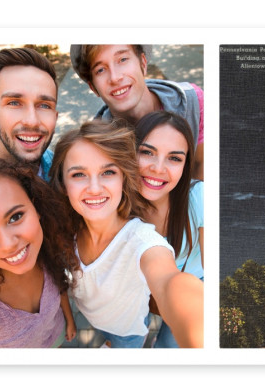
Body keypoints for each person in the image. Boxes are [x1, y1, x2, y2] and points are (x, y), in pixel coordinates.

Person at [48, 120, 203, 348]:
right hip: (96, 321)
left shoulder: (142, 241)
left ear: (124, 178)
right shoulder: (65, 229)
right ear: (63, 182)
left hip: (128, 333)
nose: (94, 188)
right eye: (79, 174)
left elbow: (169, 281)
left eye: (108, 172)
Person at [0, 158, 78, 348]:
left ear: (36, 208)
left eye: (16, 217)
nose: (8, 244)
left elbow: (60, 288)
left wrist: (69, 318)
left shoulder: (46, 252)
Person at [69, 44, 204, 180]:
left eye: (122, 60)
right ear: (93, 88)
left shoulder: (192, 102)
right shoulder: (97, 144)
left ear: (143, 63)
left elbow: (201, 167)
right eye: (100, 70)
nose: (115, 78)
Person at [135, 111, 203, 348]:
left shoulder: (199, 197)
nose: (158, 168)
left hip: (193, 287)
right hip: (139, 293)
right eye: (147, 152)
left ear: (185, 165)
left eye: (174, 158)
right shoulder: (115, 202)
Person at [0, 47, 59, 181]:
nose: (32, 121)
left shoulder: (64, 175)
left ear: (55, 118)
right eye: (14, 103)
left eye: (45, 105)